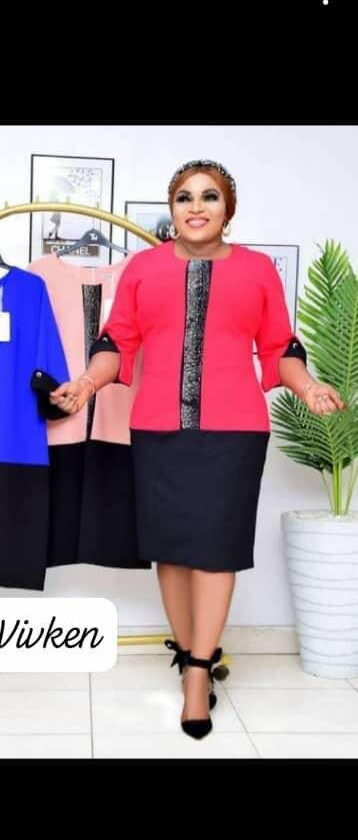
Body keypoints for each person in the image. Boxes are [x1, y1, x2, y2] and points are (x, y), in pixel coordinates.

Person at [49, 160, 345, 740]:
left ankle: (198, 674)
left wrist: (308, 386)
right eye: (184, 197)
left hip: (235, 432)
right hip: (157, 428)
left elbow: (280, 347)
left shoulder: (258, 270)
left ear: (227, 209)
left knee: (215, 551)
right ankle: (188, 654)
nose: (196, 206)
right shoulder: (144, 268)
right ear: (173, 209)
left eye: (210, 196)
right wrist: (86, 383)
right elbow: (117, 341)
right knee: (171, 551)